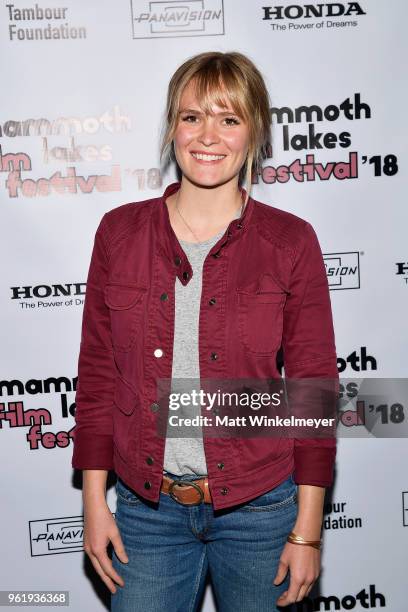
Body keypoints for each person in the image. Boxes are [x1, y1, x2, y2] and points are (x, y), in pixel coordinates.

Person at [71, 51, 339, 611]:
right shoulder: (119, 234)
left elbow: (313, 388)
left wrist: (308, 530)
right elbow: (97, 376)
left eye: (229, 118)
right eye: (192, 116)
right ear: (173, 127)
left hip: (261, 512)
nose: (208, 135)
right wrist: (94, 503)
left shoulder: (291, 241)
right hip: (146, 513)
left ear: (254, 133)